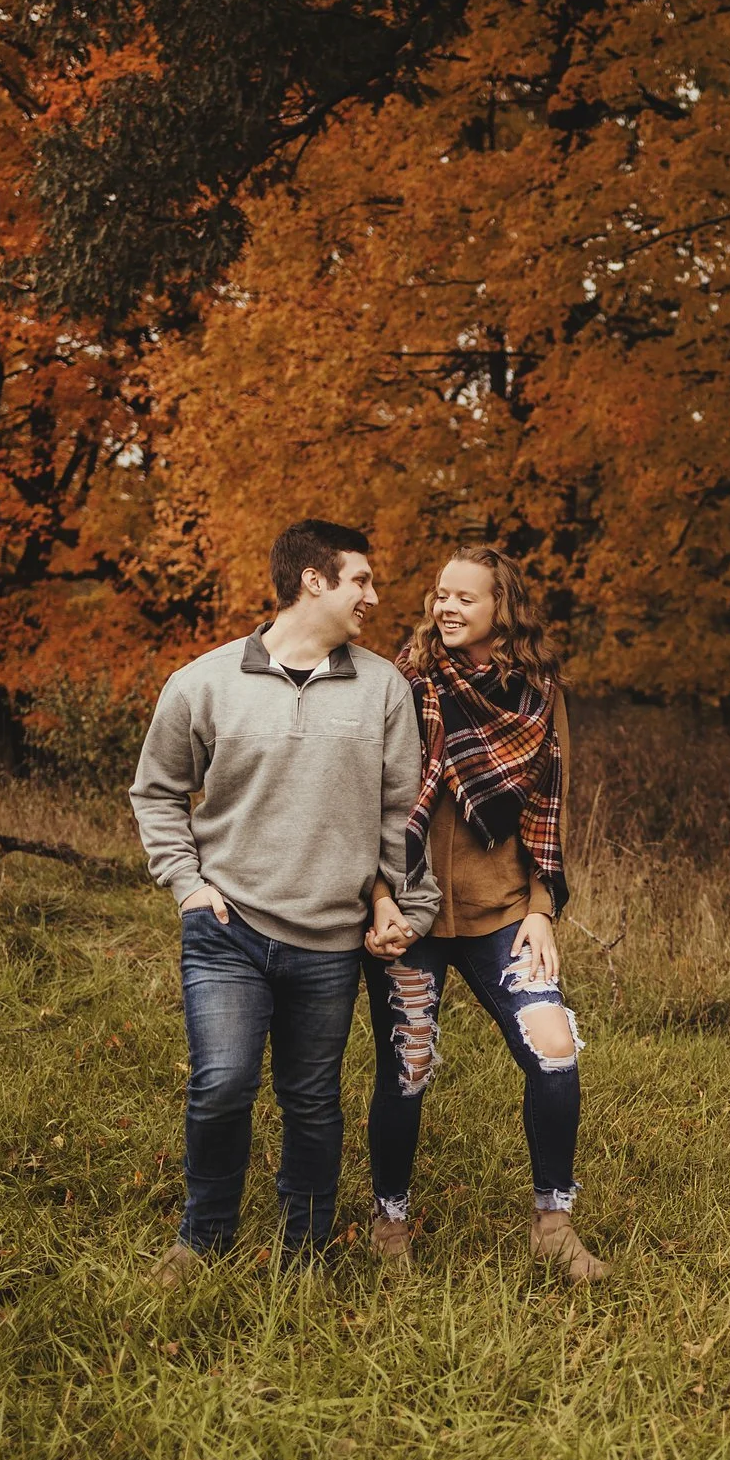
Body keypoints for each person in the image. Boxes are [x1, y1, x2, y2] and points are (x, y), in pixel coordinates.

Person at [129, 518, 438, 1283]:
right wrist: (187, 883)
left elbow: (401, 813)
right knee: (222, 1084)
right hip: (227, 927)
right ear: (313, 580)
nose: (373, 595)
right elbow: (157, 791)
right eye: (360, 579)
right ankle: (202, 1238)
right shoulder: (202, 682)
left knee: (312, 1099)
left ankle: (305, 1253)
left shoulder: (383, 689)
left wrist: (399, 903)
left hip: (328, 938)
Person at [362, 545, 605, 1282]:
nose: (447, 607)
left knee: (554, 1048)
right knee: (406, 1066)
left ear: (503, 607)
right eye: (441, 594)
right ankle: (389, 1223)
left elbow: (551, 804)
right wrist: (377, 897)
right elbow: (366, 794)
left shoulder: (539, 694)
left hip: (502, 911)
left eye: (466, 597)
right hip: (409, 913)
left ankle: (553, 1224)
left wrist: (541, 908)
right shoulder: (405, 680)